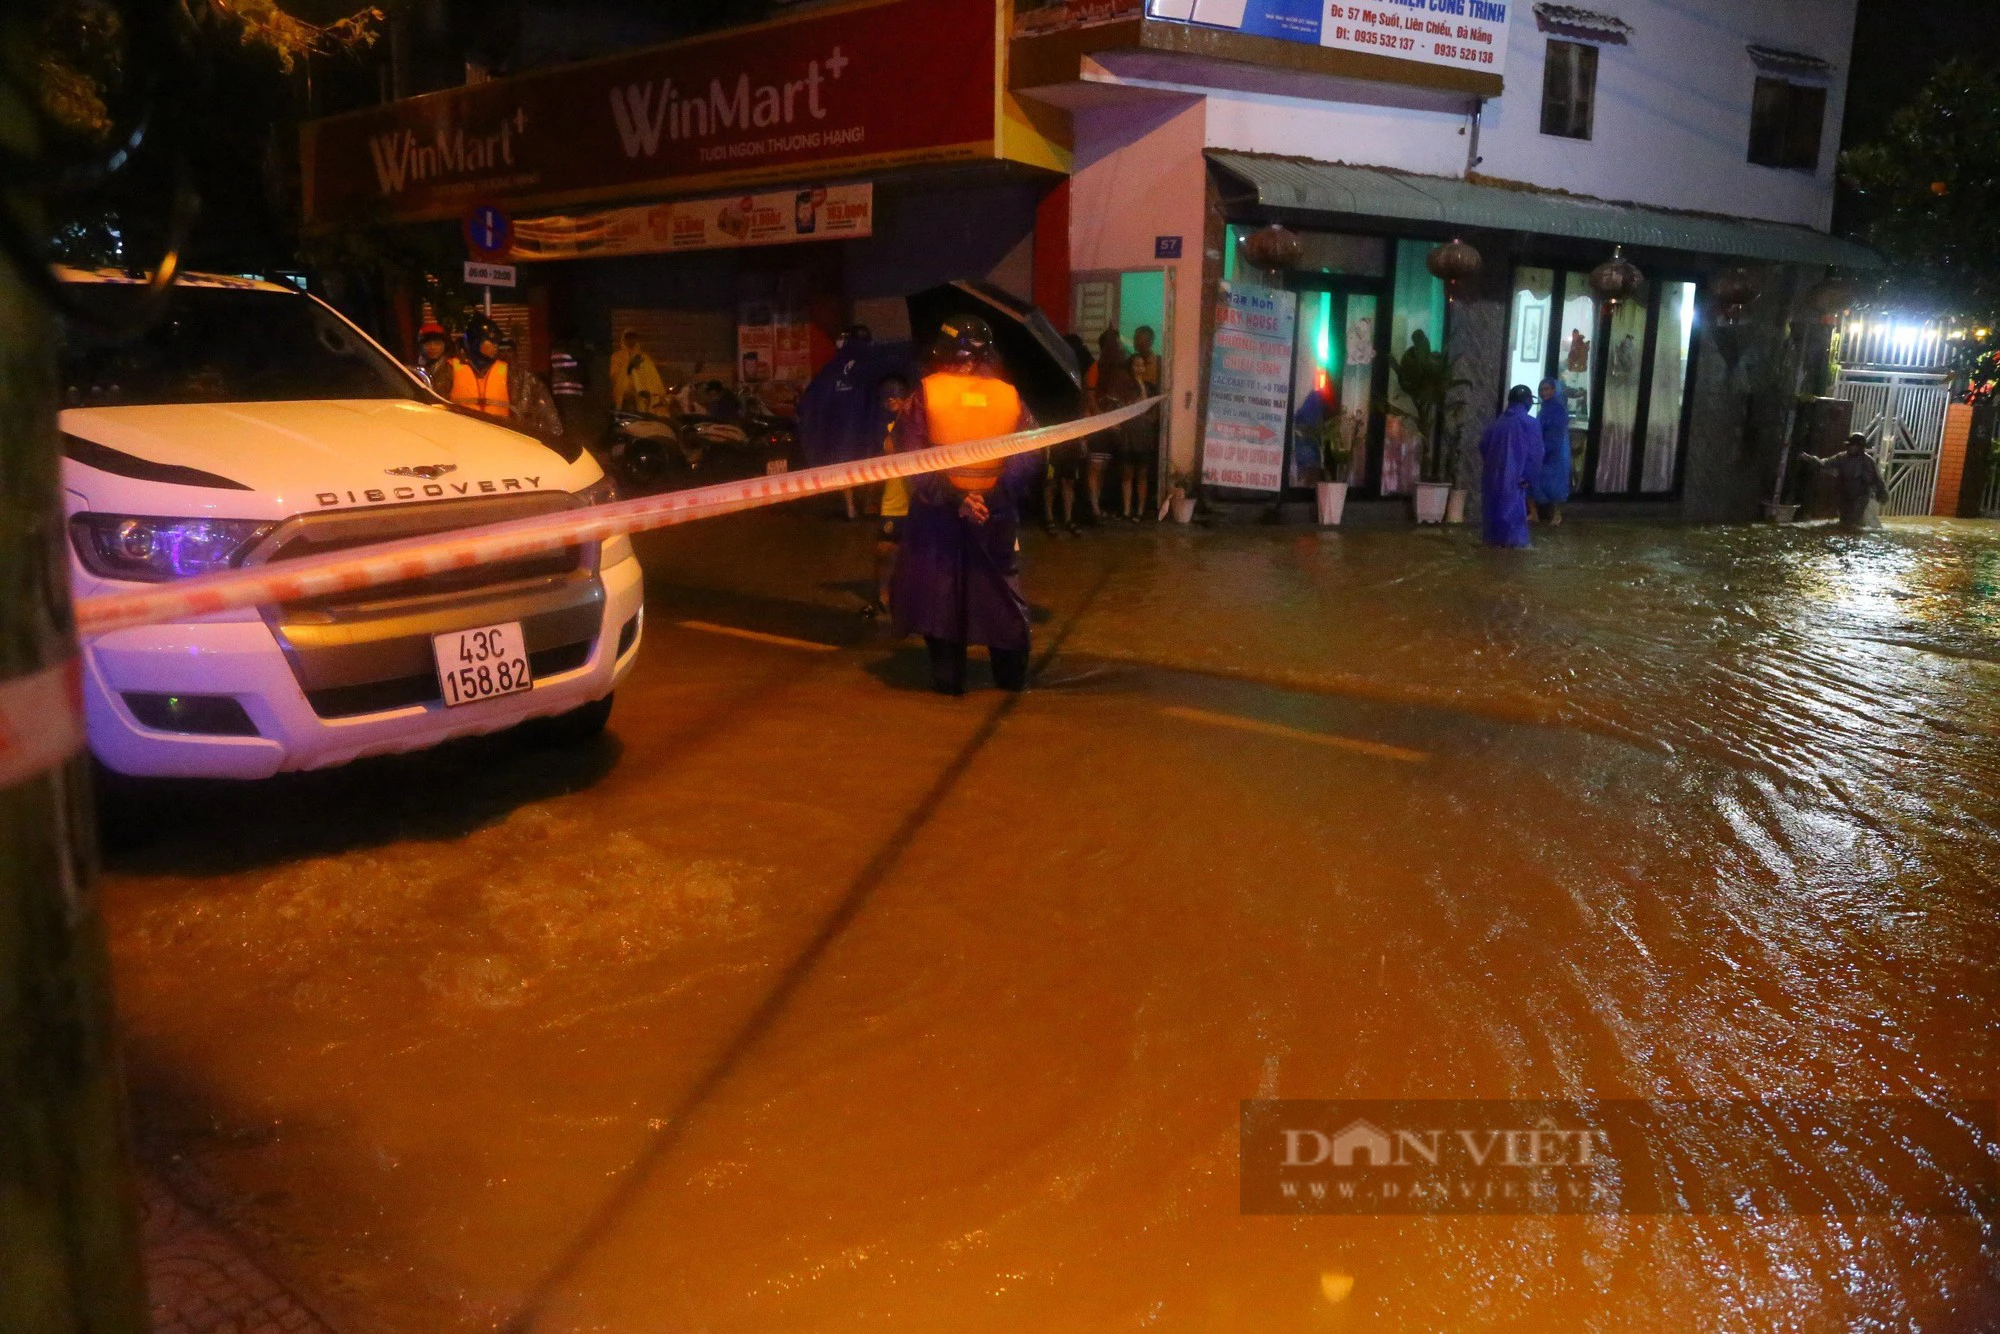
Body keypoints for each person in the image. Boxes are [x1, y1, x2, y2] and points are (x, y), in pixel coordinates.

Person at [890, 315, 1038, 694]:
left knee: (939, 599)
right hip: (994, 518)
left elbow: (912, 457)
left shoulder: (924, 394)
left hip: (938, 519)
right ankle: (1010, 679)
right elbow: (1029, 457)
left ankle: (950, 681)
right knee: (1001, 595)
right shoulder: (1010, 396)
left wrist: (958, 498)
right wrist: (990, 497)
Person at [796, 324, 877, 520]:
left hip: (841, 428)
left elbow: (816, 396)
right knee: (872, 463)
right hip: (867, 425)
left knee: (844, 464)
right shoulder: (874, 363)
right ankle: (866, 504)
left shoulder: (834, 366)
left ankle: (851, 508)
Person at [865, 373, 912, 619]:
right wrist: (871, 496)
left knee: (915, 551)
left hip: (916, 499)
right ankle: (883, 594)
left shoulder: (916, 423)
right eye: (887, 397)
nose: (892, 400)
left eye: (897, 396)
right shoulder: (880, 428)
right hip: (892, 500)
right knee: (885, 549)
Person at [1084, 328, 1139, 522]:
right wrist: (1103, 421)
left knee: (1105, 470)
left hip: (1114, 429)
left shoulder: (1120, 370)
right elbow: (1091, 398)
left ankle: (1097, 506)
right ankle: (1094, 509)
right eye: (1114, 343)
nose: (1118, 347)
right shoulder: (1096, 368)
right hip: (1099, 428)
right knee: (1096, 468)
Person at [1479, 385, 1543, 548]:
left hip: (1491, 479)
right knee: (1515, 534)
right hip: (1515, 480)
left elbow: (1483, 445)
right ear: (1528, 401)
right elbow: (1536, 454)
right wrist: (1528, 477)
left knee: (1493, 531)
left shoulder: (1498, 422)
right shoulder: (1530, 423)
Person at [1044, 334, 1094, 535]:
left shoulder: (1078, 380)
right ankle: (1049, 518)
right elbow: (1044, 410)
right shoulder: (1051, 377)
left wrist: (1082, 438)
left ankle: (1068, 518)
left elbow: (1081, 410)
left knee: (1069, 480)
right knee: (1050, 480)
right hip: (1053, 437)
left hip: (1072, 437)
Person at [1799, 433, 1890, 530]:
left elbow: (1877, 479)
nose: (1849, 447)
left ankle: (1855, 536)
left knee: (1853, 521)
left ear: (1860, 447)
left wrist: (1882, 493)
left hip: (1860, 496)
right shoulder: (1841, 457)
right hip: (1844, 494)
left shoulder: (1867, 461)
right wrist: (1811, 459)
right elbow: (1825, 463)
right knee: (1844, 521)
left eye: (1852, 445)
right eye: (1849, 445)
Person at [1121, 324, 1163, 520]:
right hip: (1130, 434)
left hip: (1145, 434)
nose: (1137, 342)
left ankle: (1139, 510)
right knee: (1128, 472)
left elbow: (1153, 409)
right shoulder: (1127, 386)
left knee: (1143, 473)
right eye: (1135, 365)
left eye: (1140, 338)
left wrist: (1151, 419)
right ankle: (1127, 510)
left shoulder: (1153, 379)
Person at [447, 316, 511, 419]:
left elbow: (523, 410)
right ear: (475, 342)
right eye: (491, 341)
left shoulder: (509, 372)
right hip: (461, 432)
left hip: (498, 432)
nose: (495, 346)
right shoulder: (449, 369)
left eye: (497, 342)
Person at [1531, 378, 1571, 525]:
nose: (1544, 393)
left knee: (1554, 483)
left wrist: (1546, 448)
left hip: (1555, 452)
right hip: (1545, 449)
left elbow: (1555, 433)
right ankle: (1536, 513)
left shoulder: (1558, 410)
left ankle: (1556, 514)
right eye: (1542, 390)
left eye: (1547, 389)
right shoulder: (1545, 408)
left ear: (1554, 390)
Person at [610, 328, 668, 415]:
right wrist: (629, 367)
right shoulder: (617, 357)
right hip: (626, 397)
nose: (631, 341)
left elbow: (653, 378)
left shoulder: (644, 357)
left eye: (633, 338)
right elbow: (614, 375)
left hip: (643, 397)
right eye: (628, 338)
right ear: (624, 339)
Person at [413, 320, 453, 394]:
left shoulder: (452, 368)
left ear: (445, 345)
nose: (432, 347)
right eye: (427, 344)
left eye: (437, 343)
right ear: (421, 346)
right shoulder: (414, 370)